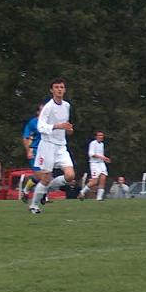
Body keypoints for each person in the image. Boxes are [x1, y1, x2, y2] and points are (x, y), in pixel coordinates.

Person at [28, 78, 76, 213]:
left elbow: (66, 127)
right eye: (56, 87)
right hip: (48, 145)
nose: (59, 89)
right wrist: (57, 126)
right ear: (52, 90)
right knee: (46, 178)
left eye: (61, 87)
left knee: (70, 175)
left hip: (61, 146)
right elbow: (40, 127)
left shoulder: (66, 106)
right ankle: (34, 205)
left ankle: (45, 190)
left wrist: (69, 130)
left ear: (64, 90)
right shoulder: (48, 107)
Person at [79, 130, 110, 200]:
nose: (101, 137)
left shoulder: (102, 144)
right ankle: (82, 192)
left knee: (103, 179)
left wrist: (105, 159)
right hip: (94, 164)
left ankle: (99, 198)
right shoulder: (93, 143)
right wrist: (102, 157)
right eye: (99, 135)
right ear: (96, 137)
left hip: (101, 163)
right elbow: (91, 154)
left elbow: (101, 155)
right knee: (94, 181)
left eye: (102, 135)